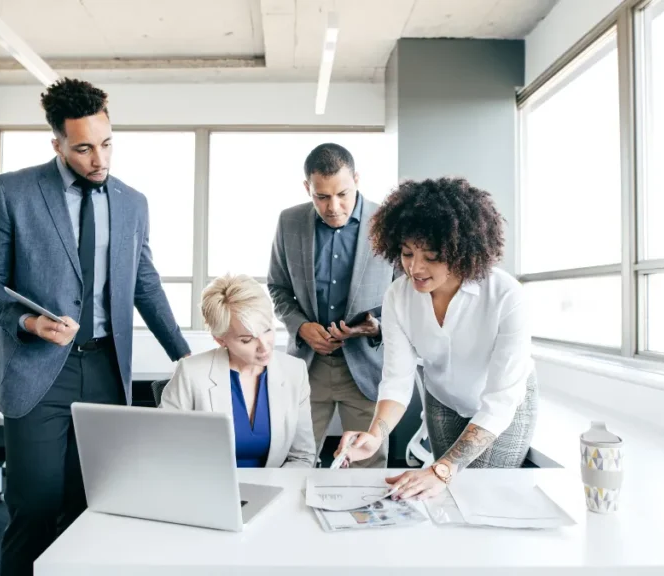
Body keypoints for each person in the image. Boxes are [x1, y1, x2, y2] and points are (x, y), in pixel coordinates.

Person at [0, 78, 191, 575]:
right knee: (37, 507)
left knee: (96, 506)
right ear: (58, 144)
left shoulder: (133, 202)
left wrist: (186, 356)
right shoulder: (11, 192)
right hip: (39, 370)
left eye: (107, 144)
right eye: (84, 148)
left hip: (108, 368)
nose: (99, 159)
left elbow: (144, 283)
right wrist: (28, 321)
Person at [335, 177, 537, 500]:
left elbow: (500, 402)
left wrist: (441, 469)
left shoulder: (505, 295)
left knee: (480, 490)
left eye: (431, 256)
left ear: (461, 251)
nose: (415, 268)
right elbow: (397, 381)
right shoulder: (398, 297)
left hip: (505, 404)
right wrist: (375, 435)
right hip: (443, 399)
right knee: (444, 494)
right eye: (406, 253)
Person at [268, 143, 396, 468]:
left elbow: (407, 298)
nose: (333, 206)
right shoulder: (289, 222)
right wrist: (300, 327)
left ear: (356, 179)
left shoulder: (390, 223)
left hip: (367, 364)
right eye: (321, 196)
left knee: (367, 464)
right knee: (292, 460)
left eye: (343, 193)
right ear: (307, 188)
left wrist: (377, 326)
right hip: (309, 365)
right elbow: (277, 288)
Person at [161, 274, 315, 468]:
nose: (264, 347)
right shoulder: (192, 374)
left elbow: (302, 457)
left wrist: (275, 492)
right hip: (209, 489)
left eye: (267, 330)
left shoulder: (294, 371)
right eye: (246, 340)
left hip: (276, 490)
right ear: (221, 339)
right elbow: (164, 449)